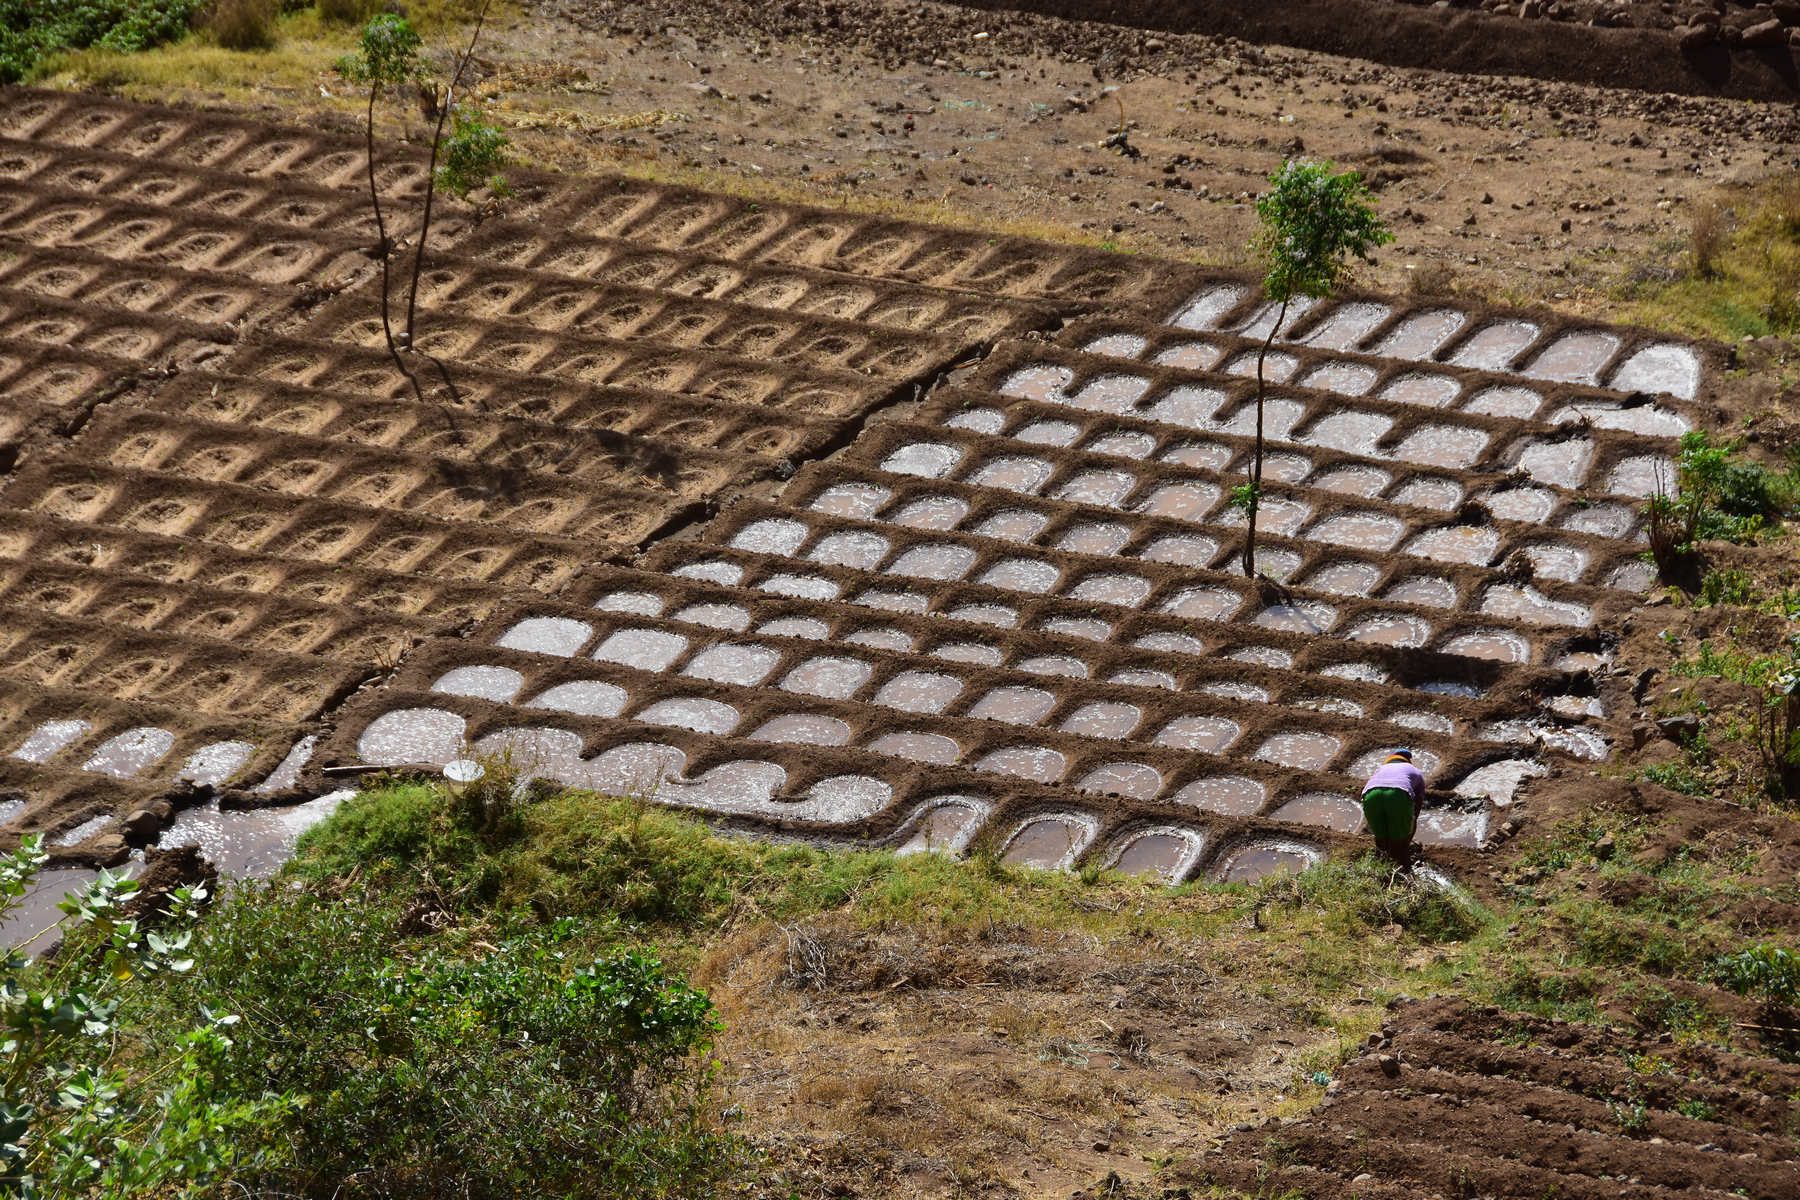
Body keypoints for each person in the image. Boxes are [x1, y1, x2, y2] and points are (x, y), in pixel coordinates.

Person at [1360, 749, 1425, 867]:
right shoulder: (1415, 771)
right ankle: (1401, 862)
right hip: (1398, 794)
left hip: (1370, 796)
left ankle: (1380, 862)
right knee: (1399, 839)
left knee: (1380, 836)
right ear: (1408, 760)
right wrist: (1411, 820)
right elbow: (1419, 800)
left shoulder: (1380, 769)